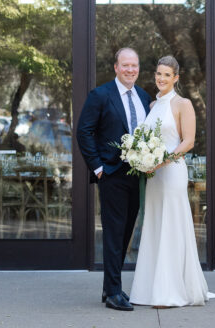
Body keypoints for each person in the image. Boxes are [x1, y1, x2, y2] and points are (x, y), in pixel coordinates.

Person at [129, 55, 215, 308]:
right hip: (153, 176)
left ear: (176, 78)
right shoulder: (151, 106)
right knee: (155, 226)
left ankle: (171, 292)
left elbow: (188, 141)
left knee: (171, 226)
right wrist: (144, 159)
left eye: (167, 75)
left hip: (171, 173)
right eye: (158, 74)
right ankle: (150, 290)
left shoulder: (183, 104)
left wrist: (162, 161)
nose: (161, 79)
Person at [76, 47, 152, 312]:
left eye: (134, 65)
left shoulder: (143, 96)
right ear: (116, 68)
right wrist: (97, 168)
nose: (130, 70)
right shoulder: (100, 95)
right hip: (111, 175)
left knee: (125, 234)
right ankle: (113, 294)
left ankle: (112, 287)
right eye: (125, 65)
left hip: (137, 176)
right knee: (113, 234)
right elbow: (83, 132)